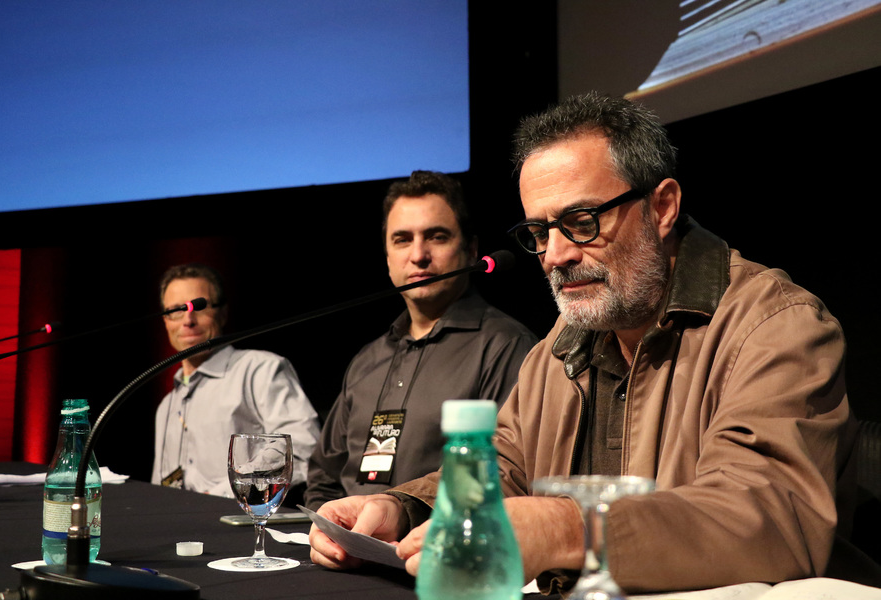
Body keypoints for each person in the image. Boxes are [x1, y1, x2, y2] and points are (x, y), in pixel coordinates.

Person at [308, 94, 868, 593]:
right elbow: (506, 467)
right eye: (538, 232)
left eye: (579, 221)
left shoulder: (776, 326)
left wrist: (568, 527)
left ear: (662, 207)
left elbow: (768, 516)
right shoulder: (564, 340)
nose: (554, 255)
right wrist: (401, 508)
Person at [304, 171, 537, 510]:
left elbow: (501, 478)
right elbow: (323, 479)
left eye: (437, 237)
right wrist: (332, 530)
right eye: (402, 239)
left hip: (434, 554)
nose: (418, 255)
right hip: (347, 553)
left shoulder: (505, 347)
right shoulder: (368, 360)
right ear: (387, 257)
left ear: (471, 249)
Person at [151, 263, 320, 501]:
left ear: (223, 312)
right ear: (165, 321)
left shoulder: (260, 369)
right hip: (178, 527)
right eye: (176, 310)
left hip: (239, 521)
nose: (188, 320)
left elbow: (300, 449)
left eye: (199, 307)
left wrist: (229, 490)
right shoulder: (167, 405)